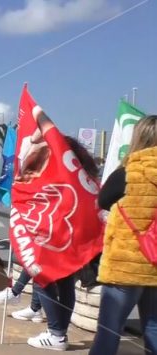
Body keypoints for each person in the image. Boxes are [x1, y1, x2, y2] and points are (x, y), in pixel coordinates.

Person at [90, 116, 157, 355]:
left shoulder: (127, 173)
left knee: (109, 331)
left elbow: (103, 201)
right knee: (154, 328)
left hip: (124, 266)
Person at [26, 136, 100, 351]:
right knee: (66, 282)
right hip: (73, 236)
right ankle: (59, 332)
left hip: (53, 233)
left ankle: (56, 333)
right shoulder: (85, 173)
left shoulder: (57, 172)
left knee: (42, 279)